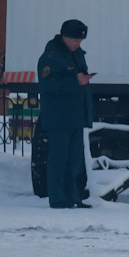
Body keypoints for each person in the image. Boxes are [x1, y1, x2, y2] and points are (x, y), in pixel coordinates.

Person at [37, 19, 95, 209]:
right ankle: (57, 198)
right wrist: (76, 82)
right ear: (64, 36)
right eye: (75, 40)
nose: (78, 44)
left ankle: (73, 197)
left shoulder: (76, 54)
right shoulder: (51, 56)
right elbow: (48, 84)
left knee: (74, 161)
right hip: (60, 117)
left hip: (75, 116)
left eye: (80, 40)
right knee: (59, 159)